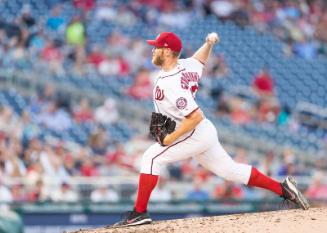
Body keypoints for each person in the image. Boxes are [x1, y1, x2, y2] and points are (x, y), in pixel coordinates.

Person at [113, 32, 309, 227]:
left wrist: (171, 137)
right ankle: (284, 189)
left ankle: (139, 213)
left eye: (157, 47)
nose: (153, 50)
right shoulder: (185, 66)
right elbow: (199, 59)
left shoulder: (171, 82)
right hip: (204, 131)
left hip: (193, 131)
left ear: (167, 51)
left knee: (151, 158)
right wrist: (209, 43)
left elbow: (195, 116)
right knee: (230, 171)